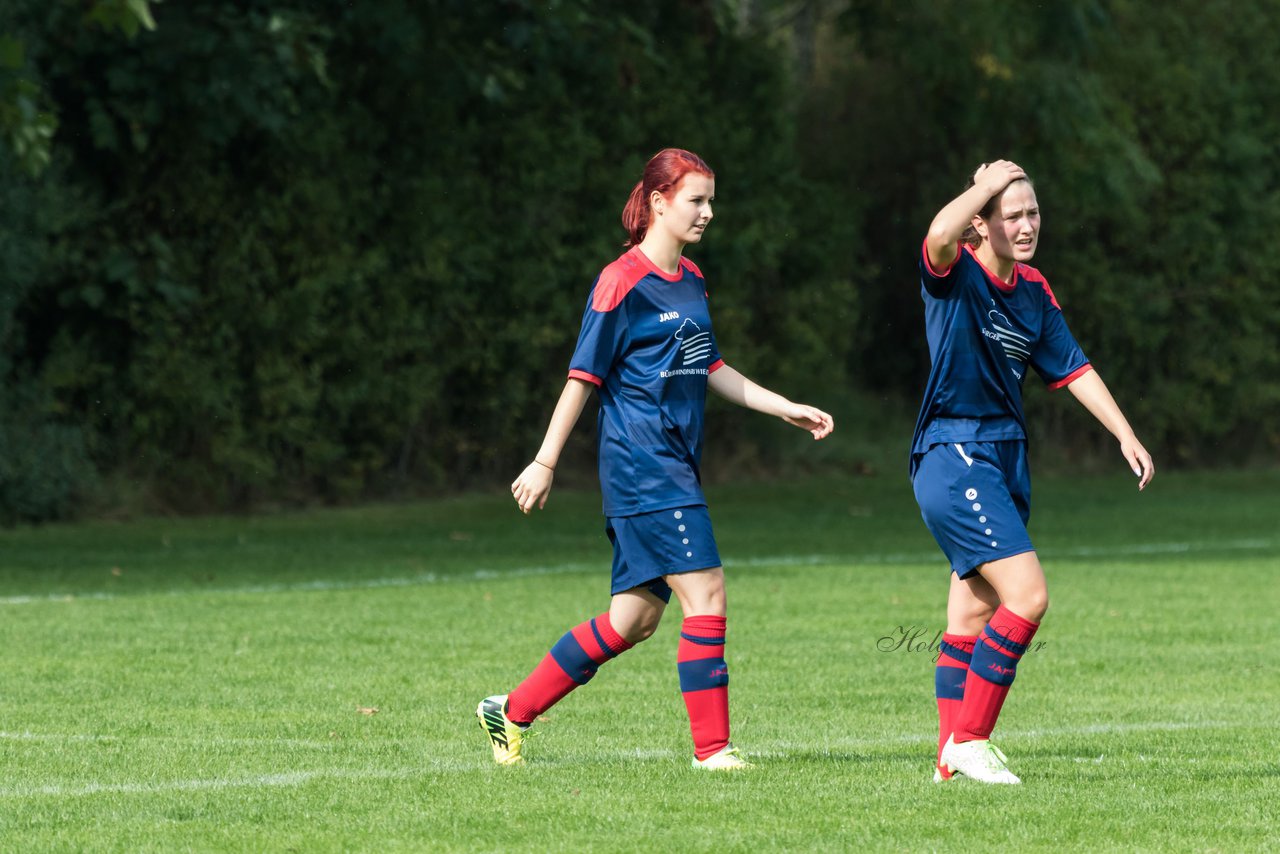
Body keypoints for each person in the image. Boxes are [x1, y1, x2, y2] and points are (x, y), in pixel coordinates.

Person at [476, 147, 834, 770]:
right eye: (696, 200)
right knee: (707, 593)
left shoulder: (691, 279)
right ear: (659, 202)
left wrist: (784, 406)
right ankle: (713, 752)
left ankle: (510, 709)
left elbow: (710, 366)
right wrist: (545, 461)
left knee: (632, 620)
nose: (708, 212)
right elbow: (582, 377)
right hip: (644, 465)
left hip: (672, 465)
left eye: (710, 200)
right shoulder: (622, 281)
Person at [912, 160, 1154, 784]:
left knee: (970, 618)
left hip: (1005, 455)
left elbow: (1073, 367)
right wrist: (983, 187)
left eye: (1032, 213)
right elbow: (940, 234)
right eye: (1011, 215)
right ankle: (971, 739)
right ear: (982, 224)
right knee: (1028, 595)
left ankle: (948, 760)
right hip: (954, 451)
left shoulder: (1034, 290)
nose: (1025, 226)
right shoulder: (955, 274)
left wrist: (1125, 432)